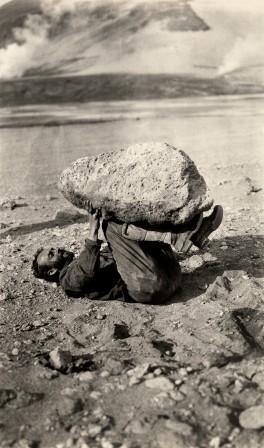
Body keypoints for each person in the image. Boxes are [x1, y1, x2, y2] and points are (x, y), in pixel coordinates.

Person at [32, 202, 223, 304]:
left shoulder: (87, 261)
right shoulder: (68, 282)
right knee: (111, 224)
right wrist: (93, 229)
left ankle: (192, 233)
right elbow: (86, 272)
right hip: (150, 289)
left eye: (53, 248)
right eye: (51, 255)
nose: (57, 249)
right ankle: (183, 237)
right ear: (51, 272)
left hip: (170, 275)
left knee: (125, 223)